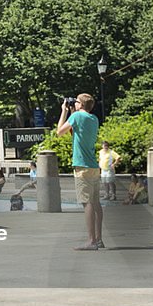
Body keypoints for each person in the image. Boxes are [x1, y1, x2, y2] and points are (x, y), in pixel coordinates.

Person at [57, 93, 103, 250]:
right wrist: (72, 111)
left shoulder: (75, 116)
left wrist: (64, 110)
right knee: (96, 203)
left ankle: (91, 241)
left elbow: (60, 132)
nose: (74, 103)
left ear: (81, 104)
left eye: (76, 101)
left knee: (87, 202)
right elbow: (74, 131)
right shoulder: (94, 119)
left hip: (81, 167)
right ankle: (99, 238)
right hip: (93, 166)